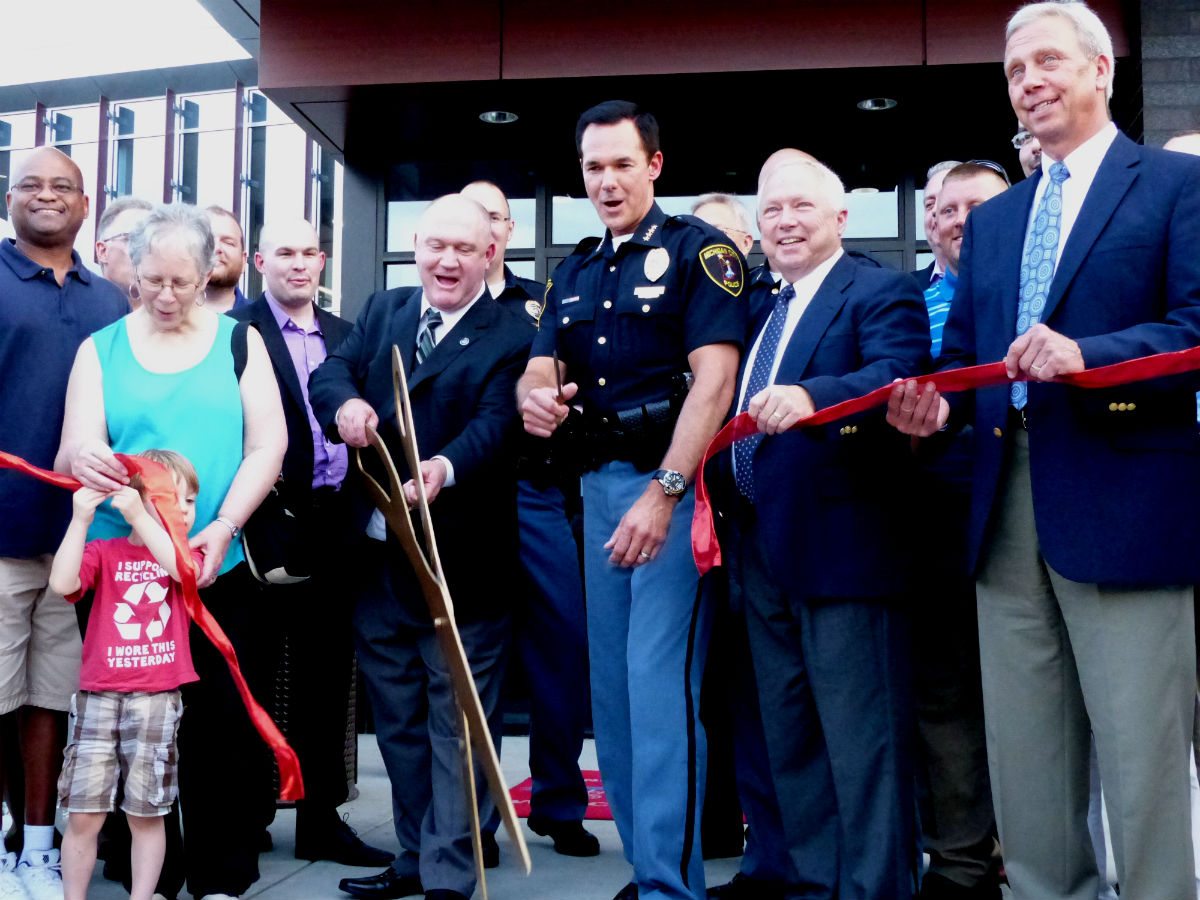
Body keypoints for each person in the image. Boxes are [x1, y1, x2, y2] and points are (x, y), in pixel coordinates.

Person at [887, 3, 1200, 896]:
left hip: (1125, 500)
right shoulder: (996, 219)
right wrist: (930, 411)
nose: (1030, 81)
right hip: (1003, 505)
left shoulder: (1175, 187)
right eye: (1016, 70)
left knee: (1141, 758)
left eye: (1049, 61)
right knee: (1026, 755)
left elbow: (1197, 324)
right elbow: (966, 363)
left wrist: (1089, 358)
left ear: (1102, 71)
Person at [518, 100, 745, 900]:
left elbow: (715, 383)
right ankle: (647, 870)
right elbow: (539, 366)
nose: (606, 181)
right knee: (611, 699)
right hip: (595, 487)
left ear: (654, 165)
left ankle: (670, 886)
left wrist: (666, 492)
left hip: (672, 492)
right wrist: (537, 399)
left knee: (658, 694)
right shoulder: (572, 269)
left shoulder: (699, 252)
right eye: (592, 167)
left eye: (621, 164)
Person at [56, 202, 286, 900]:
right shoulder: (101, 350)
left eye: (179, 282)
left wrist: (226, 525)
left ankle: (222, 869)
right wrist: (89, 460)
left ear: (210, 268)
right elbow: (73, 446)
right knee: (126, 725)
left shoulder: (239, 342)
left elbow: (267, 445)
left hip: (215, 560)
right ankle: (142, 875)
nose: (162, 295)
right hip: (121, 574)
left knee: (220, 723)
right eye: (147, 280)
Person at [310, 193, 533, 900]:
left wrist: (445, 467)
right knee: (399, 723)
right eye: (436, 245)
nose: (447, 260)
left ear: (490, 254)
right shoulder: (384, 310)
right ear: (415, 243)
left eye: (464, 248)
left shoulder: (513, 334)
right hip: (377, 560)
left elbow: (500, 424)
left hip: (462, 564)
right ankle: (414, 858)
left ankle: (449, 873)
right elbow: (330, 372)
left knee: (458, 727)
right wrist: (344, 403)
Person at [718, 158, 928, 898]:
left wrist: (814, 394)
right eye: (771, 210)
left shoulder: (879, 290)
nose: (784, 221)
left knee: (864, 746)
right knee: (792, 741)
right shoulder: (757, 312)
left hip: (847, 554)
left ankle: (878, 890)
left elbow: (897, 372)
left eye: (801, 206)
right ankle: (813, 885)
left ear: (840, 218)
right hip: (760, 551)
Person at [230, 218, 392, 868]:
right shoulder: (237, 333)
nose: (299, 264)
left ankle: (322, 822)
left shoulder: (349, 335)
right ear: (262, 260)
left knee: (329, 685)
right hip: (265, 525)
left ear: (323, 260)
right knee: (255, 680)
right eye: (286, 253)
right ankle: (249, 817)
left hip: (336, 529)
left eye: (309, 253)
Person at [0, 146, 129, 900]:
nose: (47, 196)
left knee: (52, 699)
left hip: (81, 545)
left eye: (64, 188)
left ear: (86, 206)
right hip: (2, 538)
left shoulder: (108, 301)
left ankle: (39, 849)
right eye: (32, 185)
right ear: (9, 198)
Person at [458, 181, 598, 862]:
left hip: (540, 493)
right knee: (475, 664)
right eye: (468, 214)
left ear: (506, 230)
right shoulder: (438, 311)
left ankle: (559, 803)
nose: (481, 227)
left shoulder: (542, 305)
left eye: (493, 216)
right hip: (469, 498)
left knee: (562, 653)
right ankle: (476, 822)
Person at [912, 161, 1010, 900]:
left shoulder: (1046, 293)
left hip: (1035, 506)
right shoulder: (900, 304)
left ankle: (1040, 850)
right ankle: (960, 863)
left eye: (979, 206)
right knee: (946, 696)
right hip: (939, 519)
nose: (961, 220)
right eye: (947, 209)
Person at [694, 190, 792, 900]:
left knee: (786, 700)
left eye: (726, 239)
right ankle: (759, 852)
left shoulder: (768, 307)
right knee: (738, 703)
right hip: (708, 534)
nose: (715, 255)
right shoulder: (686, 314)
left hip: (777, 530)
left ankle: (800, 854)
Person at [49, 450, 201, 900]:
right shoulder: (106, 552)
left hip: (156, 700)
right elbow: (62, 583)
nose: (186, 512)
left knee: (146, 812)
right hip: (99, 698)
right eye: (173, 500)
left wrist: (145, 514)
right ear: (135, 498)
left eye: (191, 502)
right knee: (83, 813)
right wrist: (80, 518)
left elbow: (183, 573)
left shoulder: (183, 555)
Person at [913, 161, 962, 290]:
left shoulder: (1010, 282)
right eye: (929, 204)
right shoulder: (903, 289)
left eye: (946, 201)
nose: (935, 210)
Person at [95, 197, 152, 304]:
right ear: (102, 251)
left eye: (151, 241)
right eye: (134, 238)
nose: (144, 249)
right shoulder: (80, 312)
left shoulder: (178, 316)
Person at [203, 206, 251, 313]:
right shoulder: (163, 317)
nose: (216, 248)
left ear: (243, 261)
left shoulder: (265, 323)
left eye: (228, 242)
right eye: (208, 240)